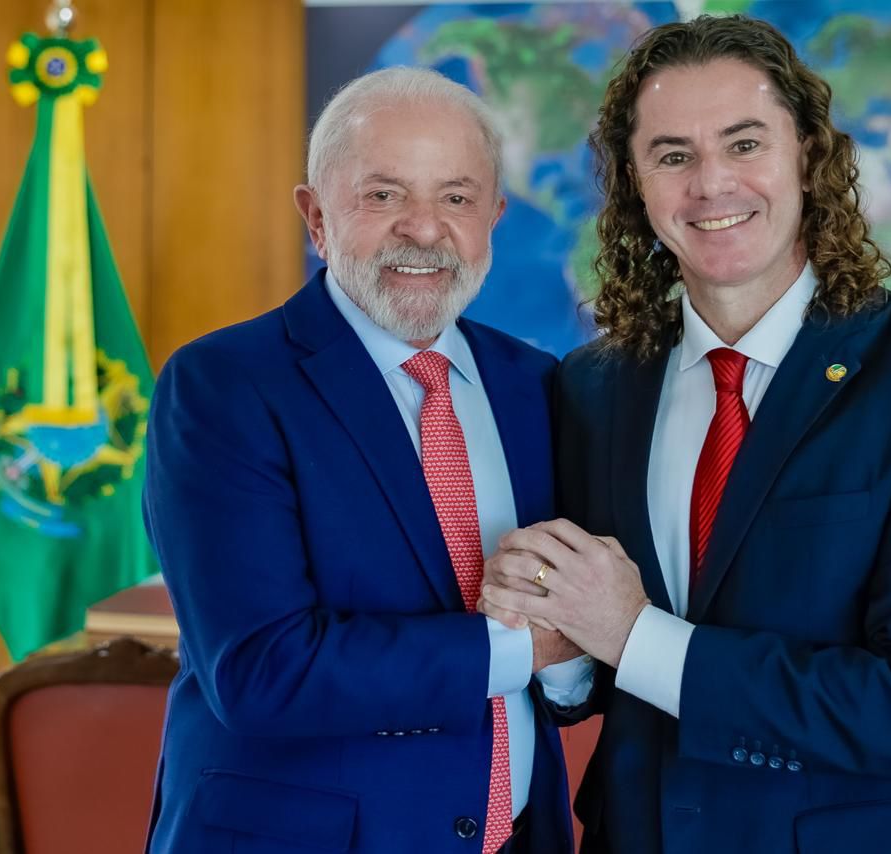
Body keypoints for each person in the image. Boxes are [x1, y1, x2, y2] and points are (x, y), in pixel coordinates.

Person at [479, 16, 891, 853]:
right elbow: (588, 681)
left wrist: (634, 634)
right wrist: (556, 637)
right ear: (635, 185)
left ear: (808, 154)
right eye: (672, 156)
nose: (711, 184)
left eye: (744, 144)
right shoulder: (592, 387)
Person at [143, 66, 592, 854]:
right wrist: (530, 648)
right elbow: (262, 672)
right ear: (316, 218)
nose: (424, 229)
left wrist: (572, 656)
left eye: (456, 198)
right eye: (383, 195)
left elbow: (571, 643)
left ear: (494, 217)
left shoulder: (536, 384)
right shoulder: (224, 385)